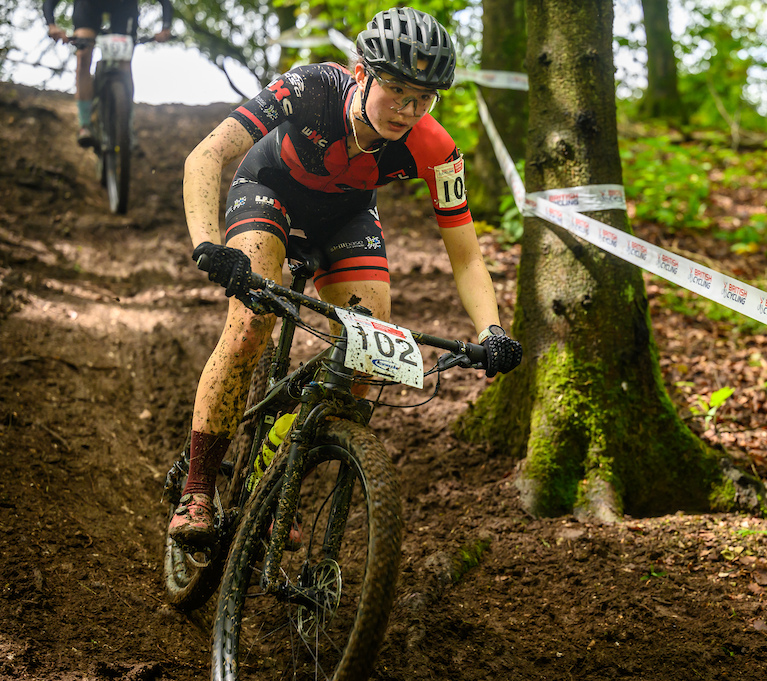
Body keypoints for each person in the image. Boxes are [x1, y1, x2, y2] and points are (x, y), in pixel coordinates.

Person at [169, 7, 523, 547]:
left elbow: (467, 255)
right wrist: (208, 245)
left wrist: (491, 329)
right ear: (362, 71)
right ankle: (197, 490)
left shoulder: (436, 148)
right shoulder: (309, 86)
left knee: (367, 355)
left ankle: (270, 476)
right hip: (270, 188)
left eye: (423, 98)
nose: (407, 109)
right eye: (397, 89)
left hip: (345, 217)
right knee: (248, 327)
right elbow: (207, 155)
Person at [44, 0, 173, 147]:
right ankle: (84, 124)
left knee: (124, 62)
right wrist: (52, 25)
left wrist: (166, 28)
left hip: (123, 7)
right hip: (88, 7)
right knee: (83, 55)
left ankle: (127, 126)